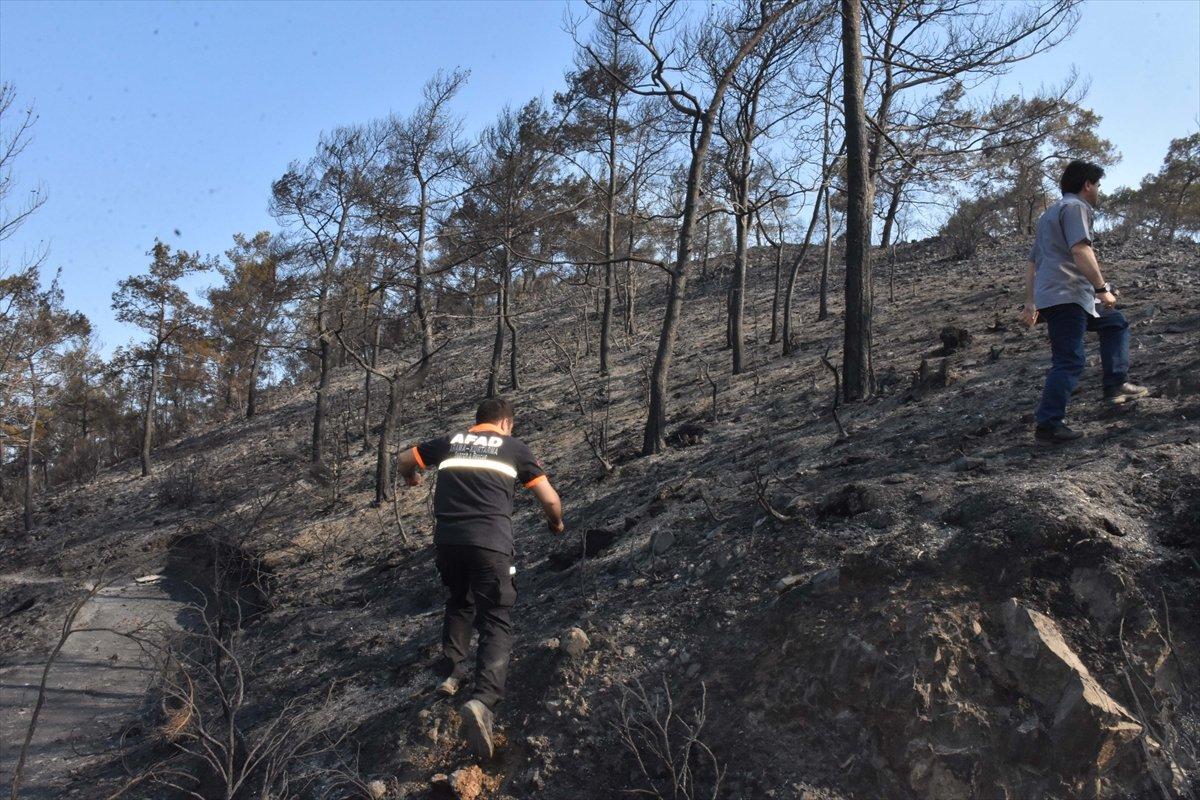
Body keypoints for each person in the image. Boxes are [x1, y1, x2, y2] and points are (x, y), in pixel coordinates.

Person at [397, 397, 564, 759]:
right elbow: (550, 500)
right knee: (496, 617)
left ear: (477, 422)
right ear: (506, 423)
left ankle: (452, 673)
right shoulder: (514, 448)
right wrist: (556, 523)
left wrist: (411, 477)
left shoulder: (451, 442)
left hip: (448, 543)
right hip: (490, 545)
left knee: (459, 600)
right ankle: (484, 700)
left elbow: (404, 459)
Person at [1021, 160, 1148, 444]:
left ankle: (1115, 385)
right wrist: (1102, 288)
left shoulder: (1048, 215)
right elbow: (1081, 250)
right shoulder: (1076, 207)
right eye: (1098, 185)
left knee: (1114, 322)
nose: (1099, 191)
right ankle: (1048, 425)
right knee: (1069, 360)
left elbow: (1031, 264)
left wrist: (1031, 303)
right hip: (1068, 295)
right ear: (1087, 184)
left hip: (1062, 296)